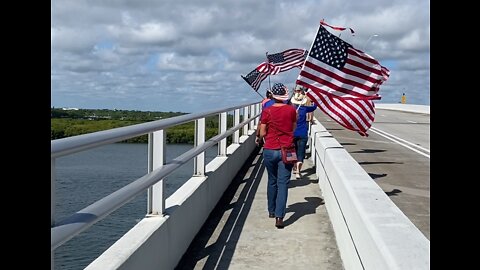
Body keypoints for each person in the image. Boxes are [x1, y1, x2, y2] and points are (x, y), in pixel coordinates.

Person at [256, 82, 297, 229]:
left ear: (272, 95)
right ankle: (279, 217)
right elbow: (293, 128)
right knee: (283, 183)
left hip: (269, 149)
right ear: (285, 95)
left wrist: (260, 139)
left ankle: (271, 211)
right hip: (286, 150)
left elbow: (262, 132)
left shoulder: (267, 111)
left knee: (272, 181)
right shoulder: (291, 110)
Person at [290, 85, 317, 179]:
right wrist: (315, 99)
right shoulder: (304, 109)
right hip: (303, 133)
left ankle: (294, 167)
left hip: (292, 134)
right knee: (301, 153)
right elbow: (314, 107)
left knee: (292, 151)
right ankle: (298, 171)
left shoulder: (290, 109)